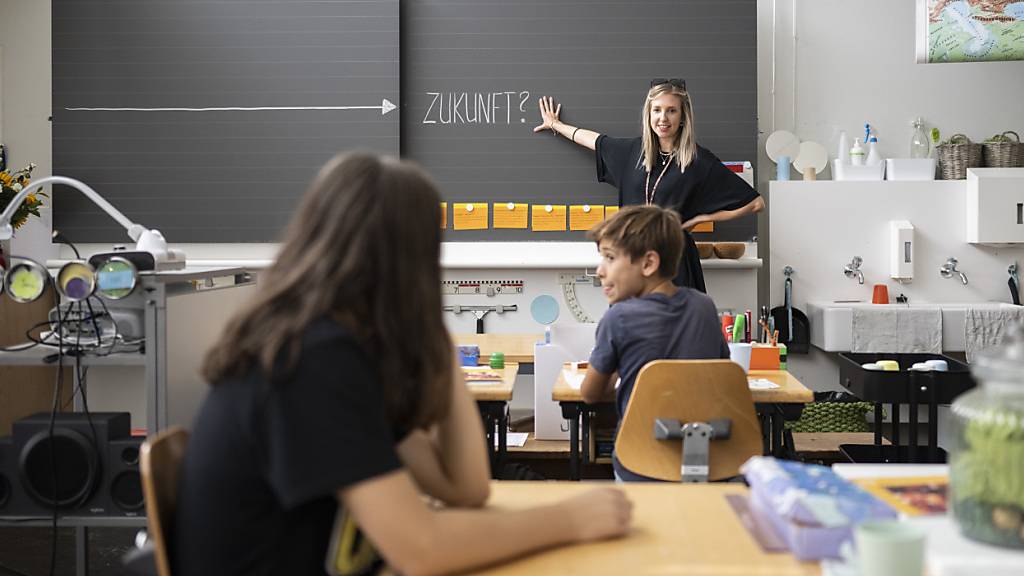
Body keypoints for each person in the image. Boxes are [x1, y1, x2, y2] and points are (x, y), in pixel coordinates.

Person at [174, 152, 633, 576]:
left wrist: (434, 336)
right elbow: (422, 548)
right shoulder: (312, 360)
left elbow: (466, 488)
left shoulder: (335, 346)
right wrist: (568, 518)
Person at [534, 79, 764, 293]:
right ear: (649, 114)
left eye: (671, 110)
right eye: (657, 110)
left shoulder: (698, 160)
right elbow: (592, 140)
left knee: (675, 330)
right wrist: (556, 124)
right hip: (632, 258)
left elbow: (755, 203)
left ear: (683, 116)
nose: (663, 118)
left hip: (674, 260)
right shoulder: (632, 153)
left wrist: (699, 219)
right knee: (633, 328)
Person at [580, 205, 731, 481]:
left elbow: (590, 394)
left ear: (649, 264)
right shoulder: (704, 307)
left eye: (610, 258)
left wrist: (632, 384)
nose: (600, 270)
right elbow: (719, 373)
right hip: (707, 459)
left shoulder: (619, 319)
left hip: (639, 462)